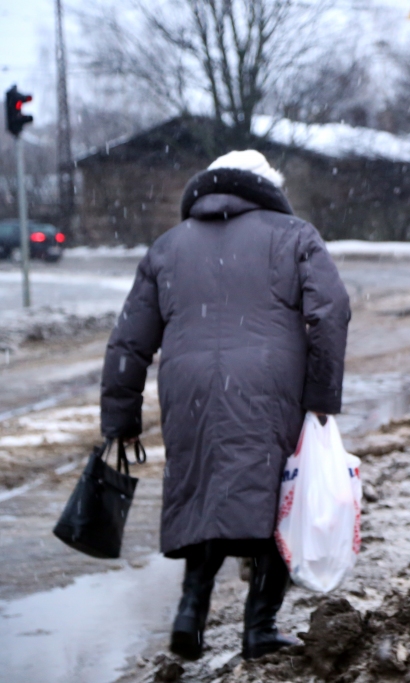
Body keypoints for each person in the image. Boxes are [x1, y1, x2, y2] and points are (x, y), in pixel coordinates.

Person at [99, 150, 350, 661]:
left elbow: (128, 341)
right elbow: (331, 312)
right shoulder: (294, 235)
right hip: (269, 381)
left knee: (205, 491)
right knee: (278, 497)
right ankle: (260, 627)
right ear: (267, 188)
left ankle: (190, 615)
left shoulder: (168, 247)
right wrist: (322, 394)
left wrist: (120, 417)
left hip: (187, 386)